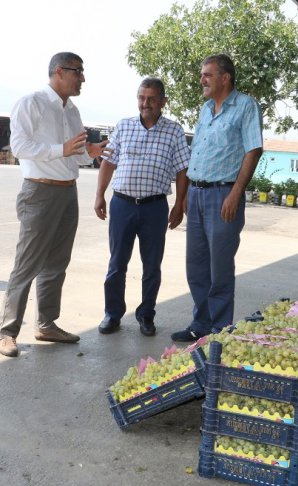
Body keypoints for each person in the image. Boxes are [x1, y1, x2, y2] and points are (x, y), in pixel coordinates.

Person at [0, 52, 109, 357]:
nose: (82, 78)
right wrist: (62, 149)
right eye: (78, 72)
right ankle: (7, 332)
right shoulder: (30, 103)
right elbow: (19, 147)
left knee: (57, 263)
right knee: (27, 264)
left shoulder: (72, 111)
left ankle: (46, 323)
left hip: (67, 192)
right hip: (40, 192)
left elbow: (75, 152)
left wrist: (91, 152)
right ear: (59, 72)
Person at [171, 54, 263, 342]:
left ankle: (219, 330)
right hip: (196, 194)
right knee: (196, 265)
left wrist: (235, 193)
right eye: (202, 75)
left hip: (224, 194)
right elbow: (196, 151)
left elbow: (254, 150)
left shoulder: (246, 106)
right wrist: (185, 194)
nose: (202, 80)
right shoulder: (205, 109)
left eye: (208, 75)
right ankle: (200, 323)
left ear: (225, 78)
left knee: (219, 266)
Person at [94, 78, 190, 337]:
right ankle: (112, 314)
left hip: (155, 208)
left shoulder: (174, 131)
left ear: (163, 102)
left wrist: (180, 204)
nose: (145, 104)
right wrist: (100, 195)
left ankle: (146, 315)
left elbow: (183, 170)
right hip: (122, 204)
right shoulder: (124, 126)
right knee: (116, 264)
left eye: (151, 99)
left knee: (152, 266)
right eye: (141, 98)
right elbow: (108, 162)